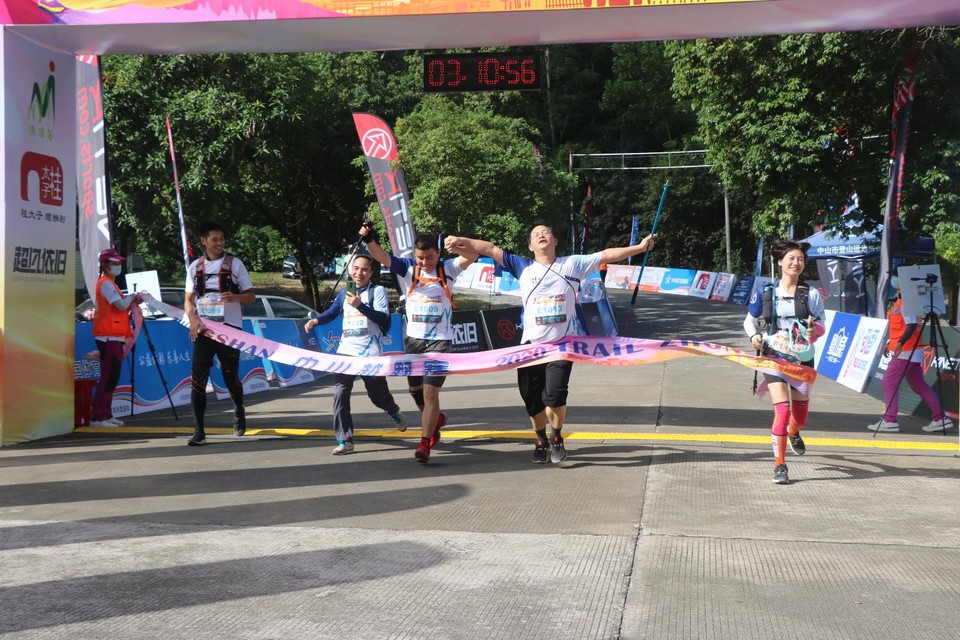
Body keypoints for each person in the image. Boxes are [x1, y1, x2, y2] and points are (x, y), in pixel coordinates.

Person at [444, 221, 656, 464]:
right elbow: (490, 249)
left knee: (555, 395)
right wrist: (460, 241)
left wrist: (639, 248)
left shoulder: (572, 264)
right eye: (536, 234)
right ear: (530, 246)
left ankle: (556, 437)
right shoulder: (522, 266)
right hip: (530, 347)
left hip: (561, 346)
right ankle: (540, 439)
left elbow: (607, 255)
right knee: (531, 398)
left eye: (546, 232)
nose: (541, 235)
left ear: (555, 241)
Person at [362, 222, 476, 463]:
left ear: (438, 253)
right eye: (420, 258)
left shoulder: (448, 268)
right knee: (416, 394)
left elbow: (473, 255)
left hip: (440, 342)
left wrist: (458, 243)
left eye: (429, 257)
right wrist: (369, 239)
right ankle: (435, 420)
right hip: (413, 341)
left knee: (430, 392)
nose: (425, 262)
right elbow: (381, 256)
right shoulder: (407, 268)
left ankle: (424, 443)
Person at [305, 253, 408, 454]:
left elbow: (383, 319)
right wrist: (316, 320)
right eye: (356, 268)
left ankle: (392, 410)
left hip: (370, 353)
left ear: (371, 273)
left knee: (377, 396)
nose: (359, 273)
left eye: (364, 270)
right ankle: (345, 440)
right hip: (346, 352)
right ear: (351, 270)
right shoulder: (345, 292)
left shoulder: (377, 291)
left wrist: (360, 305)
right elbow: (332, 312)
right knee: (340, 392)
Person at [743, 239, 824, 485]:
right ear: (780, 262)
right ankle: (780, 465)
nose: (796, 263)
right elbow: (749, 321)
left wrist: (814, 331)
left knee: (800, 417)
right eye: (791, 258)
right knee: (782, 409)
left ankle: (793, 431)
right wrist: (754, 337)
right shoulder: (766, 292)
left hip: (802, 359)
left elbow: (821, 325)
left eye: (800, 259)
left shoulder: (811, 294)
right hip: (773, 356)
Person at [183, 220, 255, 446]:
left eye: (222, 239)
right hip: (204, 330)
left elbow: (251, 296)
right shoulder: (195, 267)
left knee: (230, 376)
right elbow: (188, 300)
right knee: (198, 378)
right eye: (214, 239)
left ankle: (239, 410)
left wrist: (235, 297)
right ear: (203, 241)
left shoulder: (235, 264)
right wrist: (193, 319)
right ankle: (199, 431)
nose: (219, 243)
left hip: (229, 330)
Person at [868, 274, 955, 433]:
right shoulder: (904, 300)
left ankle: (890, 420)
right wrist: (891, 343)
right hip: (911, 349)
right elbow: (901, 327)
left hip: (906, 350)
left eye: (895, 277)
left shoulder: (907, 302)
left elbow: (911, 325)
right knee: (918, 384)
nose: (893, 281)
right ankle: (940, 418)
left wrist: (899, 343)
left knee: (889, 381)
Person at [91, 248, 143, 427]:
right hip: (108, 336)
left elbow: (121, 306)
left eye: (119, 263)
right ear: (105, 265)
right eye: (114, 263)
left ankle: (106, 414)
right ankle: (98, 417)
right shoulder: (105, 283)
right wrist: (132, 297)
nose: (118, 266)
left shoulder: (111, 284)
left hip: (115, 335)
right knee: (108, 377)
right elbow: (121, 305)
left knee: (112, 377)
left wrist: (131, 300)